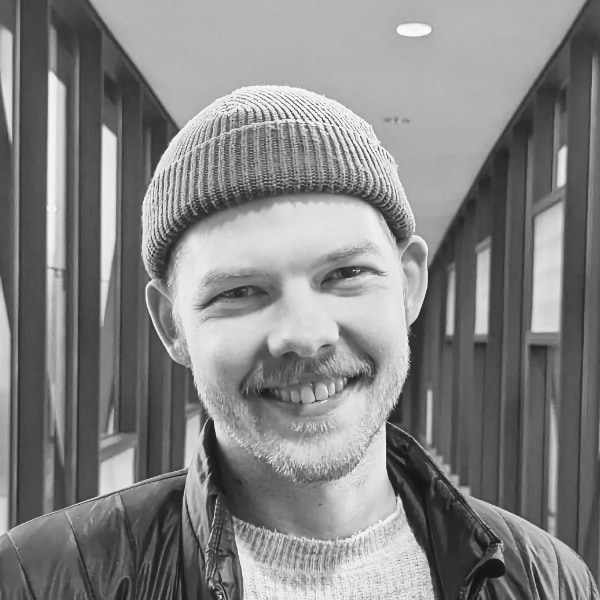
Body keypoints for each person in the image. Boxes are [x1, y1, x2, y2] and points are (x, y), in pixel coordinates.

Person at [0, 85, 598, 600]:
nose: (305, 335)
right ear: (171, 325)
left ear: (409, 284)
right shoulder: (43, 578)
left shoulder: (547, 580)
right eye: (239, 291)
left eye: (345, 275)